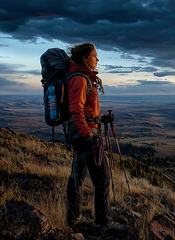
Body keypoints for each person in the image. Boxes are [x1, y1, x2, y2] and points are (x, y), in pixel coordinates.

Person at [65, 43, 125, 233]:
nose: (97, 59)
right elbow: (76, 110)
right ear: (84, 58)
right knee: (103, 179)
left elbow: (84, 111)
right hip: (85, 135)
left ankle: (73, 219)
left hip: (81, 133)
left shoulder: (80, 77)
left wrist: (101, 119)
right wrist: (87, 135)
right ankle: (104, 223)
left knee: (78, 176)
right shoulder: (81, 79)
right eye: (94, 56)